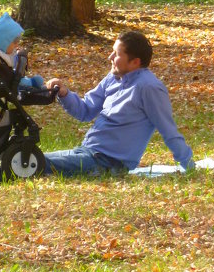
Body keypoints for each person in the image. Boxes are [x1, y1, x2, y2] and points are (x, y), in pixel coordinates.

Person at [44, 30, 194, 176]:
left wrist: (189, 166)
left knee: (33, 162)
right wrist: (64, 94)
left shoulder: (149, 88)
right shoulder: (113, 78)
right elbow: (85, 111)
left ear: (135, 62)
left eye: (116, 54)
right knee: (31, 157)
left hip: (108, 163)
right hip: (87, 152)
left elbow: (168, 129)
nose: (110, 57)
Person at [0, 12, 44, 90]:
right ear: (4, 42)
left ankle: (32, 83)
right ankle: (31, 84)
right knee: (22, 82)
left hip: (6, 76)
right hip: (4, 80)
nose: (16, 45)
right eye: (15, 43)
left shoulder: (1, 49)